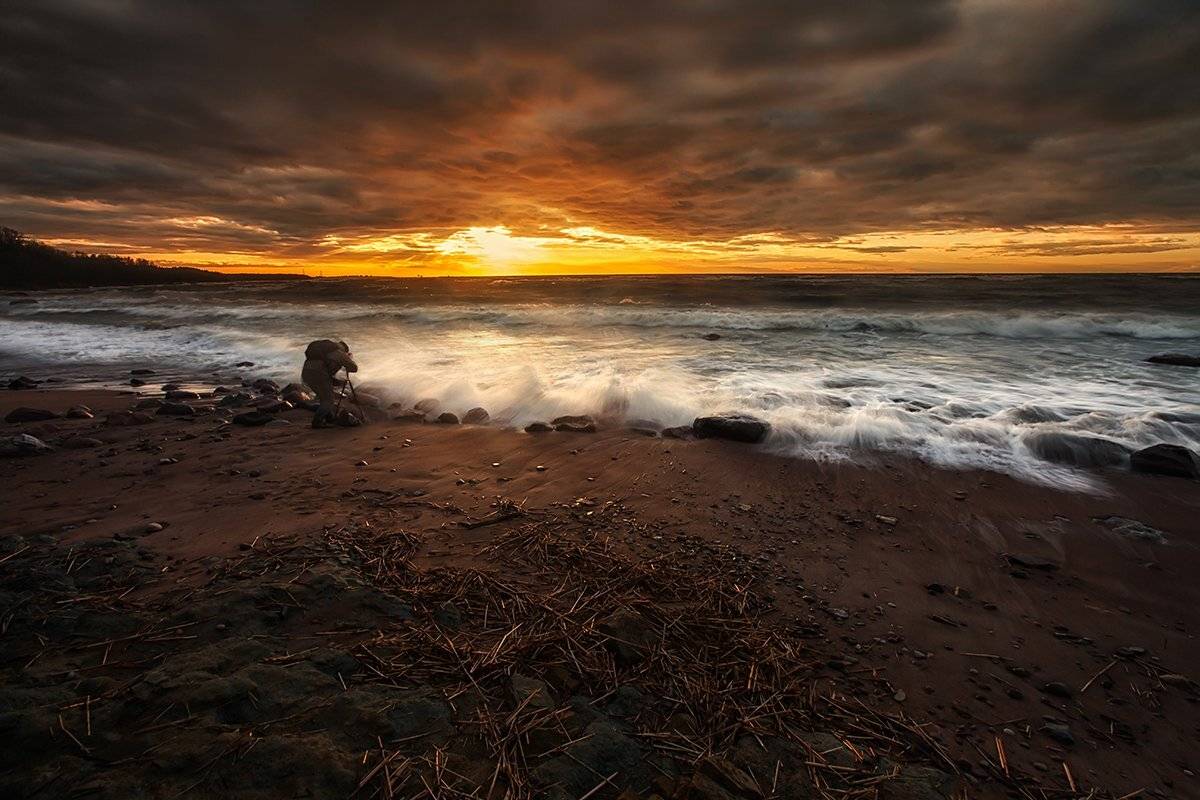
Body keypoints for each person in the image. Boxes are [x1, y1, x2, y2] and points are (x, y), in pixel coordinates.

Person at [301, 339, 358, 428]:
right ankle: (317, 422)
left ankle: (329, 418)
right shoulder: (339, 353)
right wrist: (349, 358)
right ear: (344, 350)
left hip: (306, 373)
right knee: (328, 401)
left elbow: (325, 368)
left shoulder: (322, 352)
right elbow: (354, 368)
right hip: (319, 374)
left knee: (324, 398)